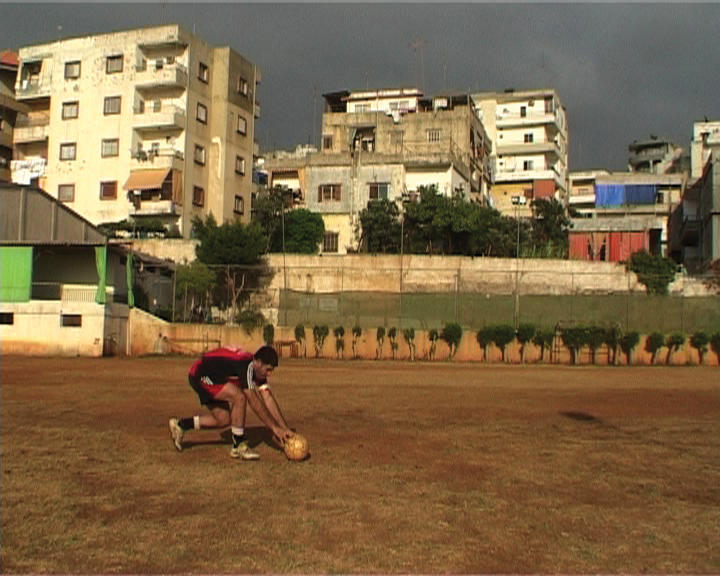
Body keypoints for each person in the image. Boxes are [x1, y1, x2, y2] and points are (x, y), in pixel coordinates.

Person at [169, 345, 294, 460]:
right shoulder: (247, 365)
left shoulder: (256, 370)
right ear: (259, 363)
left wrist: (284, 428)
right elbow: (253, 400)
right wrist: (274, 429)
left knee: (223, 419)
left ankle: (181, 425)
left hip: (215, 376)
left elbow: (268, 398)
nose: (269, 374)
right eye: (268, 370)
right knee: (240, 397)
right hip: (201, 373)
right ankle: (239, 445)